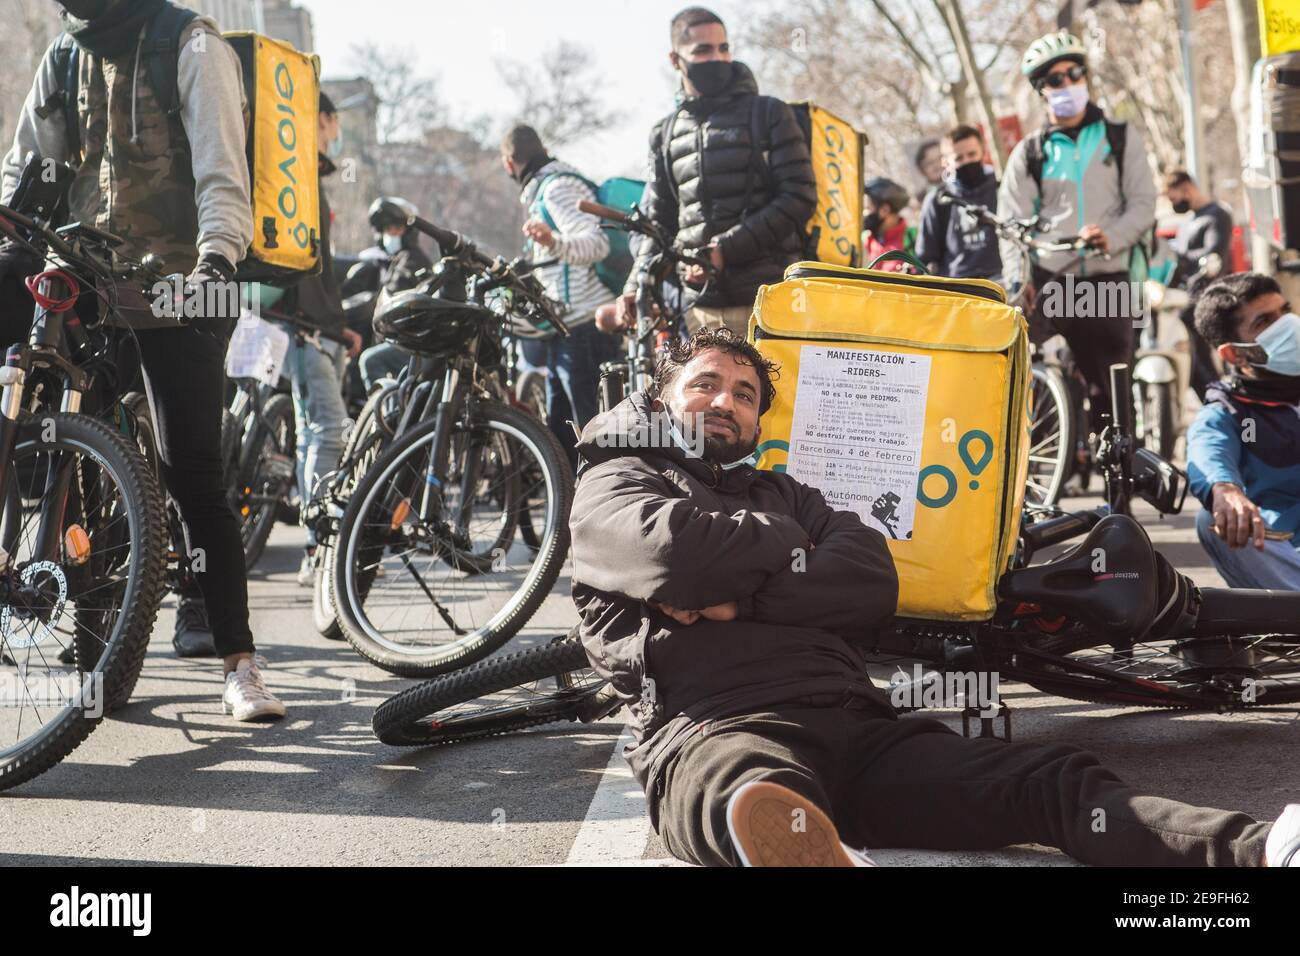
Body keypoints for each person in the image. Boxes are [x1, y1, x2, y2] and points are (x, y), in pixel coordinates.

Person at [568, 325, 1300, 867]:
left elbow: (869, 578)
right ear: (664, 394)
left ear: (760, 422)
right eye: (705, 384)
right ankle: (810, 849)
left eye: (744, 393)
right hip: (719, 727)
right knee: (752, 795)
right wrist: (783, 557)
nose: (725, 401)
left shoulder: (788, 490)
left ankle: (1263, 851)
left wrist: (736, 593)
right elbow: (671, 553)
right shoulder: (616, 475)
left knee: (1052, 778)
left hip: (864, 731)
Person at [0, 0, 283, 719]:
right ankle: (100, 639)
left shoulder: (187, 42)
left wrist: (219, 261)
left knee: (192, 469)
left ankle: (239, 663)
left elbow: (223, 165)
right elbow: (27, 160)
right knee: (80, 445)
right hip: (89, 271)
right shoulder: (65, 53)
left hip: (182, 281)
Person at [614, 6, 816, 342]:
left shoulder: (769, 113)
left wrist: (725, 249)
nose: (718, 58)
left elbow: (799, 198)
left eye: (724, 48)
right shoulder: (663, 134)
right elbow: (659, 224)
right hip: (699, 310)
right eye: (703, 50)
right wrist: (636, 286)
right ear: (675, 59)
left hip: (770, 301)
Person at [998, 30, 1157, 435]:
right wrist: (1020, 279)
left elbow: (1143, 205)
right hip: (1051, 278)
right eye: (1055, 80)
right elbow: (1011, 223)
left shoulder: (1120, 137)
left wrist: (1112, 236)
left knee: (1113, 395)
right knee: (1018, 372)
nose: (1067, 84)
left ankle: (1118, 490)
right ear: (1041, 91)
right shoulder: (1029, 153)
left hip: (1108, 278)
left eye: (1075, 73)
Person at [277, 92, 362, 586]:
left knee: (315, 430)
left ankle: (318, 542)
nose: (335, 131)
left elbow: (319, 266)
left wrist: (338, 323)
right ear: (323, 118)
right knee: (325, 430)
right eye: (333, 122)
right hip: (304, 325)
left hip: (312, 324)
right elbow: (305, 267)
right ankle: (318, 545)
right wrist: (322, 322)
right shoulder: (297, 176)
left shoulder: (303, 175)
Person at [501, 124, 620, 468]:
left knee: (591, 437)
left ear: (510, 163)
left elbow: (598, 243)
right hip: (566, 329)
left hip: (584, 326)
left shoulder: (558, 188)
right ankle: (569, 514)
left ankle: (601, 511)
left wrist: (553, 242)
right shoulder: (546, 189)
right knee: (562, 436)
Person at [1187, 272, 1300, 590]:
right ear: (1233, 353)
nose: (1287, 326)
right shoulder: (1227, 414)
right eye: (1265, 322)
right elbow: (1208, 449)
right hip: (1289, 555)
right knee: (1212, 521)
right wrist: (1225, 490)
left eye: (1285, 312)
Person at [1165, 168, 1232, 397]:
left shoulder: (1216, 215)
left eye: (1174, 198)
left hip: (1207, 297)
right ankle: (1212, 397)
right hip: (1185, 297)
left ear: (1187, 189)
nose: (1174, 204)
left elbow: (1215, 255)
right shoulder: (1187, 222)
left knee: (1204, 357)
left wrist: (1180, 257)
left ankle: (1218, 395)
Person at [357, 196, 432, 391]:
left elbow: (395, 294)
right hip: (400, 340)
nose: (390, 235)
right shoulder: (395, 260)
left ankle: (386, 415)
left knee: (370, 361)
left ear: (408, 232)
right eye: (387, 230)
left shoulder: (413, 259)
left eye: (396, 229)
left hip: (413, 344)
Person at [915, 125, 1002, 281]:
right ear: (945, 162)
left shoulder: (1001, 190)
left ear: (983, 151)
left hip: (1004, 280)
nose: (967, 161)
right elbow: (926, 256)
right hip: (959, 289)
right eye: (958, 158)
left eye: (972, 154)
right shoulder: (938, 200)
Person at [862, 177, 915, 273]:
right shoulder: (866, 239)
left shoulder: (911, 239)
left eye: (868, 208)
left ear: (884, 210)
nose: (864, 213)